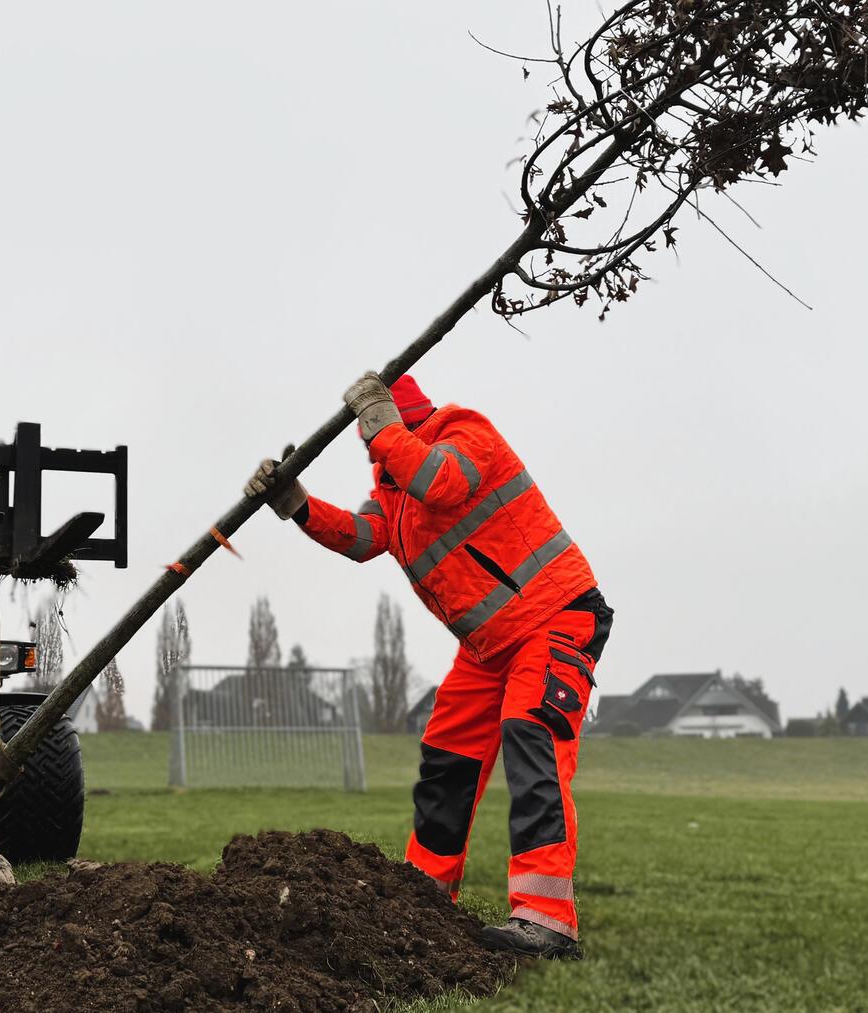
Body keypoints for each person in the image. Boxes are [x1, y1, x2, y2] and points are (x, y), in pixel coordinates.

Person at [246, 371, 613, 959]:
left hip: (554, 615)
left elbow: (441, 482)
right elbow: (364, 538)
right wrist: (298, 505)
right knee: (446, 760)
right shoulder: (393, 486)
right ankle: (423, 900)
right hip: (487, 647)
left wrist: (380, 424)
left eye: (378, 433)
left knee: (532, 741)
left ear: (400, 421)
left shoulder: (464, 432)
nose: (373, 448)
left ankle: (546, 920)